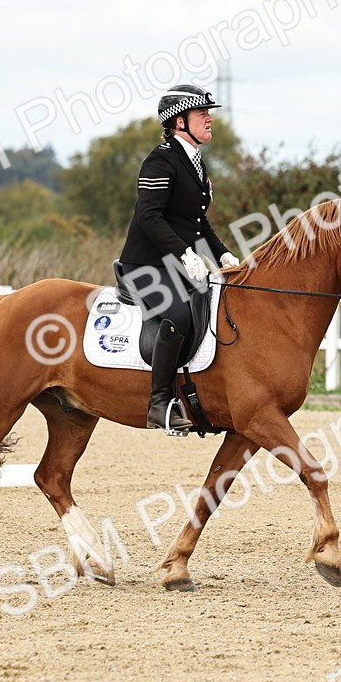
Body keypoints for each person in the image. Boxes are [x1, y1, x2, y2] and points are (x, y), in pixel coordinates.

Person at [118, 84, 240, 432]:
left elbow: (197, 222)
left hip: (177, 265)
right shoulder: (160, 159)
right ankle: (159, 403)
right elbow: (149, 216)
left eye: (208, 113)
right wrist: (185, 253)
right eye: (202, 113)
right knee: (179, 315)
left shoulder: (196, 162)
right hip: (145, 266)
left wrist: (223, 254)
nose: (209, 118)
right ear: (179, 122)